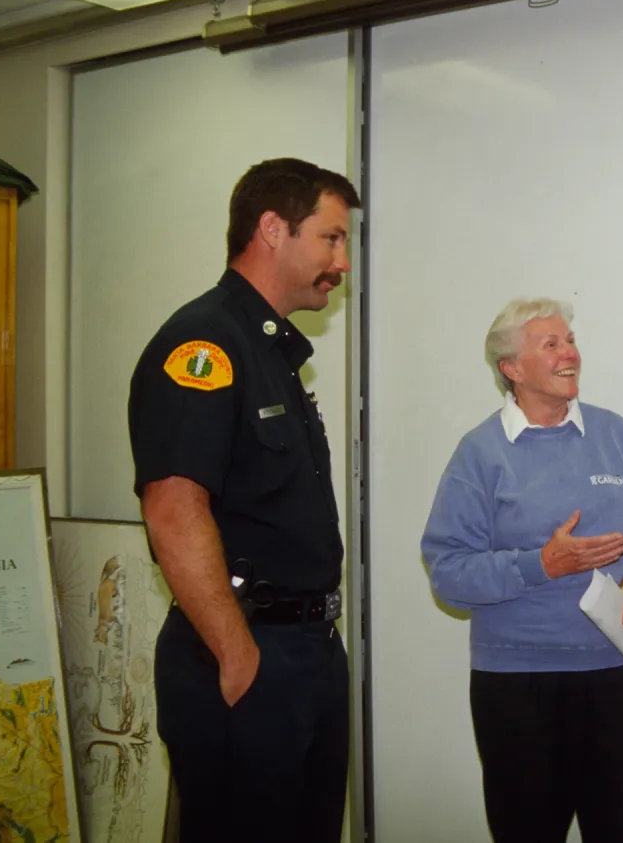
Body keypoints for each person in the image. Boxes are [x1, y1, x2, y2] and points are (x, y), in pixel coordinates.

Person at [128, 157, 359, 843]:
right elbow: (173, 508)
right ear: (271, 229)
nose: (342, 262)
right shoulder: (205, 343)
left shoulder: (273, 352)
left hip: (306, 651)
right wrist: (237, 655)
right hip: (248, 650)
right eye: (331, 238)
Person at [421, 298, 623, 843]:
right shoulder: (480, 453)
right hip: (517, 689)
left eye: (571, 340)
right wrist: (542, 565)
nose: (570, 354)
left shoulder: (614, 434)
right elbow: (449, 572)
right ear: (511, 369)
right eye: (551, 344)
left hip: (615, 674)